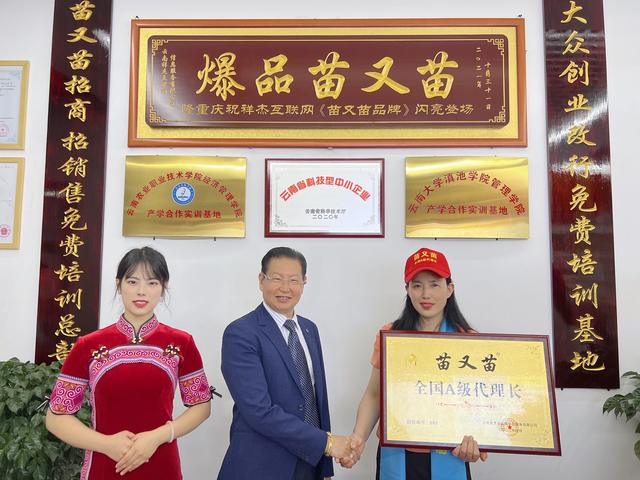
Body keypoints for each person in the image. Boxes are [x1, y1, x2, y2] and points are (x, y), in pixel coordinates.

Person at [46, 247, 212, 479]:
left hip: (161, 462)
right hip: (105, 464)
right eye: (132, 282)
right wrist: (106, 444)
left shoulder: (181, 343)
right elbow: (56, 417)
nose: (141, 291)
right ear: (118, 284)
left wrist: (157, 437)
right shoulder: (89, 345)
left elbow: (202, 405)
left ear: (164, 287)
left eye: (152, 283)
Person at [343, 247, 488, 479]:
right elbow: (374, 394)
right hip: (397, 452)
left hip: (450, 453)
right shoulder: (390, 336)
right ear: (407, 290)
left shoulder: (468, 340)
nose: (425, 294)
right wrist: (358, 438)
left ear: (449, 289)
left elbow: (480, 403)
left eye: (434, 284)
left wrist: (480, 439)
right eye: (417, 285)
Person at [218, 247, 358, 480]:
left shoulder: (309, 329)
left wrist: (325, 467)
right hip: (261, 466)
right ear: (261, 280)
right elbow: (258, 410)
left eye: (293, 280)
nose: (285, 288)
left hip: (310, 461)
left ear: (304, 283)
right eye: (276, 279)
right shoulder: (241, 333)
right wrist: (328, 443)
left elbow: (316, 402)